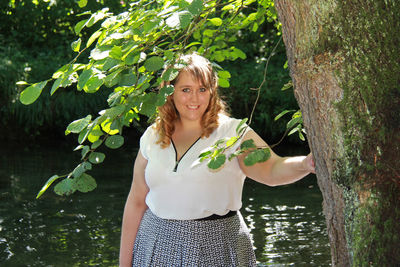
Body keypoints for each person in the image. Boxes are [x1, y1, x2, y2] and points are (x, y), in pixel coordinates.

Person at [119, 53, 315, 267]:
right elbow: (137, 202)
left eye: (202, 89)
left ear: (212, 91)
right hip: (154, 245)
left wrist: (304, 163)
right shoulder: (153, 136)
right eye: (186, 90)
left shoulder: (233, 133)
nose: (195, 99)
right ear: (170, 92)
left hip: (218, 246)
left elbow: (271, 169)